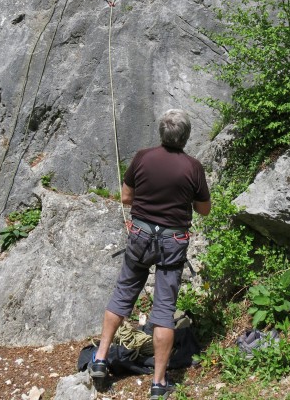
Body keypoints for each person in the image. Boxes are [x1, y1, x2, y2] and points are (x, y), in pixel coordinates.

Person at [89, 109, 211, 399]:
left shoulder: (143, 157)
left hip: (141, 236)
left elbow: (126, 197)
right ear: (186, 136)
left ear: (161, 133)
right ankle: (158, 383)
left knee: (123, 293)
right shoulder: (193, 167)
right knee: (164, 309)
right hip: (172, 241)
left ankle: (101, 358)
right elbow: (203, 209)